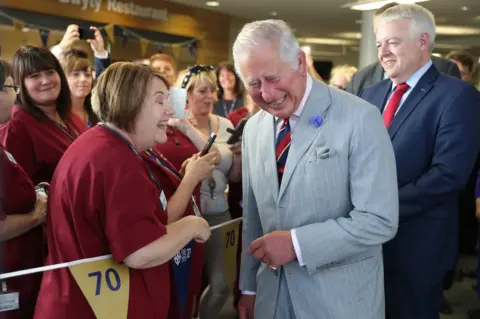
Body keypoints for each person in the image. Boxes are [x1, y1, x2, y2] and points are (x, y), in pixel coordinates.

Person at [233, 19, 399, 319]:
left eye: (272, 78)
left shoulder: (360, 117)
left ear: (299, 62)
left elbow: (379, 220)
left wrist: (297, 244)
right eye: (254, 84)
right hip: (271, 299)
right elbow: (254, 217)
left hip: (339, 302)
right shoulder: (254, 128)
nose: (266, 94)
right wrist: (249, 288)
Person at [34, 62, 215, 318]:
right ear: (130, 102)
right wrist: (193, 225)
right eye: (159, 101)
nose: (170, 110)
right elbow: (140, 252)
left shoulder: (102, 145)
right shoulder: (116, 160)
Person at [360, 4, 480, 319]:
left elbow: (448, 176)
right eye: (379, 44)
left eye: (393, 42)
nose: (383, 52)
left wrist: (379, 208)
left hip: (417, 250)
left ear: (423, 42)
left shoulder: (457, 97)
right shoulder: (371, 96)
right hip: (362, 245)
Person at [0, 59, 48, 319]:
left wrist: (37, 193)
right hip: (9, 282)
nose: (17, 94)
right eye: (12, 86)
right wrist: (35, 216)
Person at [0, 45, 88, 185]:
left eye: (50, 72)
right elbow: (14, 189)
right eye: (35, 76)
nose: (46, 81)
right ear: (19, 83)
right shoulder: (16, 126)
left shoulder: (67, 114)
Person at [346, 2, 461, 96]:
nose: (383, 52)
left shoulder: (445, 69)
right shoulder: (361, 78)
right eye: (378, 29)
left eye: (392, 40)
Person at [61, 48, 99, 126]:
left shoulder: (97, 112)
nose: (83, 79)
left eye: (87, 75)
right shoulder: (57, 114)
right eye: (76, 74)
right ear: (63, 78)